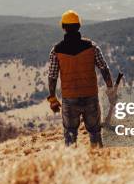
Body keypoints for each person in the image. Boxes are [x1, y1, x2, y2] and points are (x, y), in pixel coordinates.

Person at [47, 10, 116, 147]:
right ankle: (98, 161)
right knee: (95, 132)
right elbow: (104, 69)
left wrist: (53, 98)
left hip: (69, 98)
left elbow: (52, 76)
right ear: (79, 26)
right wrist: (110, 89)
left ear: (63, 27)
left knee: (70, 133)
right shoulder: (92, 47)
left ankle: (73, 164)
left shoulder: (56, 50)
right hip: (90, 96)